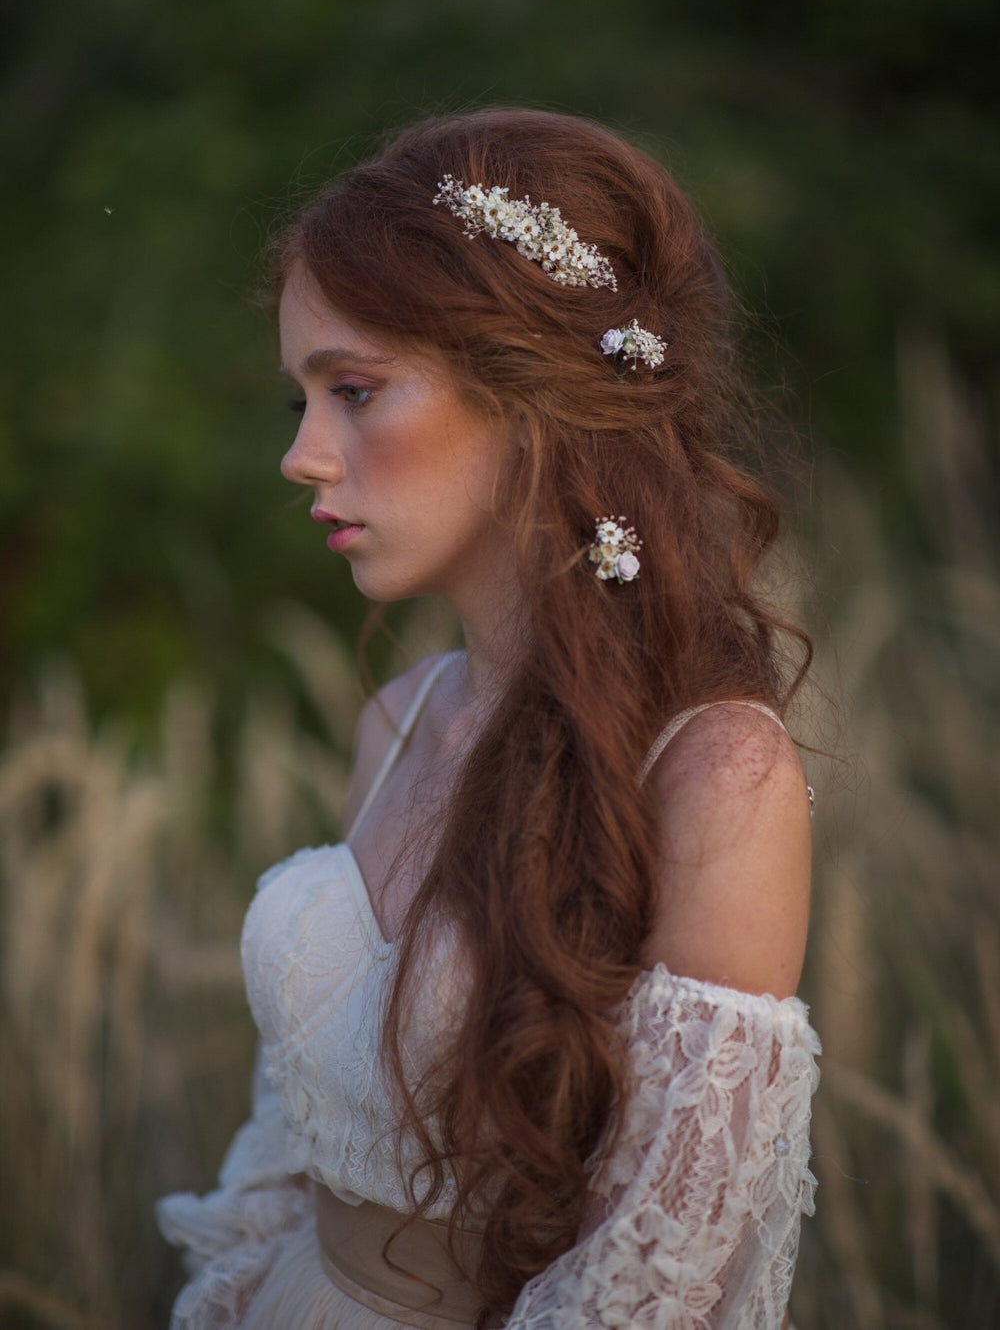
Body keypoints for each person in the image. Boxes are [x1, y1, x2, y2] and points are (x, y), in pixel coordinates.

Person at [157, 108, 820, 1330]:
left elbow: (656, 1280)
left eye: (353, 391)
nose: (303, 457)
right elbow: (302, 1116)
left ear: (532, 397)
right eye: (300, 401)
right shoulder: (401, 721)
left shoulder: (715, 778)